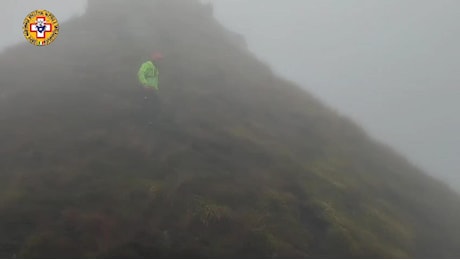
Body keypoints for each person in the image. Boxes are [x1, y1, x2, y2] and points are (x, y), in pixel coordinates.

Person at [137, 52, 163, 124]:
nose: (159, 60)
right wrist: (145, 85)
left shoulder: (155, 67)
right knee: (148, 105)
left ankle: (150, 121)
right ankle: (147, 121)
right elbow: (141, 73)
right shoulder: (147, 65)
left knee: (154, 105)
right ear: (153, 57)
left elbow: (154, 79)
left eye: (160, 59)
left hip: (152, 89)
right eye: (158, 58)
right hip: (146, 89)